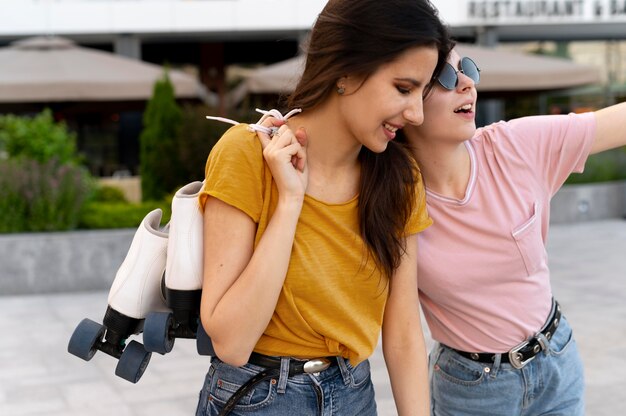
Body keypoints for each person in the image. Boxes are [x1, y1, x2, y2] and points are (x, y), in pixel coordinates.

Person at [195, 0, 453, 415]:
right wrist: (290, 201)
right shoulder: (246, 154)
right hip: (259, 396)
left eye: (421, 93)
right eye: (403, 89)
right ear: (346, 71)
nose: (417, 114)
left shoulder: (399, 177)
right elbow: (232, 341)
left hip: (354, 393)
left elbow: (403, 331)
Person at [403, 48, 626, 416]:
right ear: (406, 99)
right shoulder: (391, 198)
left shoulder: (515, 146)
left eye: (468, 69)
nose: (466, 83)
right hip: (471, 388)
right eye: (444, 76)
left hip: (556, 359)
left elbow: (616, 122)